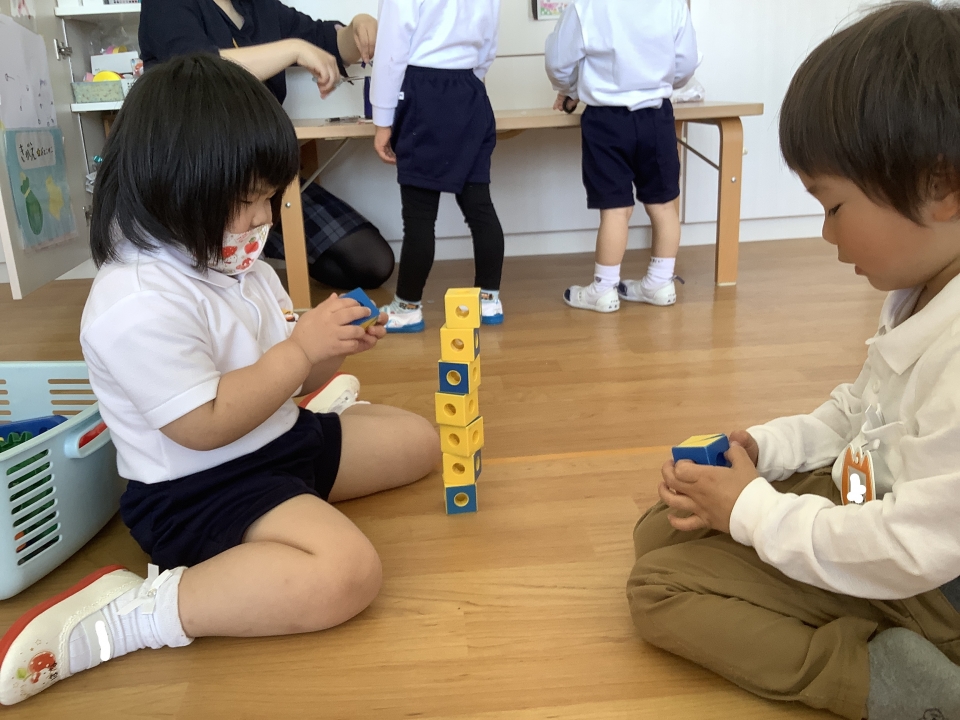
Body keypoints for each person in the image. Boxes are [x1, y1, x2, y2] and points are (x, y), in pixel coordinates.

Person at [0, 55, 440, 706]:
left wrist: (330, 349)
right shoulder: (135, 300)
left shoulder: (237, 261)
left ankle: (324, 426)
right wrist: (301, 350)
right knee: (348, 573)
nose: (263, 218)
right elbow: (202, 425)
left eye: (270, 197)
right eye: (247, 201)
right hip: (199, 489)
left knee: (421, 442)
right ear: (173, 187)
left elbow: (282, 371)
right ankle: (138, 613)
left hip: (276, 437)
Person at [627, 5, 960, 719]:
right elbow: (858, 411)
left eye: (833, 206)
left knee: (658, 589)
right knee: (664, 523)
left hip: (932, 584)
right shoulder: (920, 289)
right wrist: (764, 450)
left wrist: (752, 510)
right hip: (880, 504)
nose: (825, 232)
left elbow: (911, 546)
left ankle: (896, 682)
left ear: (942, 187)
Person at [139, 0, 396, 290]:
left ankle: (255, 257)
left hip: (261, 175)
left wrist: (358, 28)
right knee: (218, 279)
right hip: (196, 178)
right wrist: (293, 49)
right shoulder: (166, 5)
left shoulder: (260, 8)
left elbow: (331, 43)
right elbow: (197, 69)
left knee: (372, 262)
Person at [545, 0, 698, 313]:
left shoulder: (586, 5)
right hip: (656, 116)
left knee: (616, 210)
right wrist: (658, 82)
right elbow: (686, 63)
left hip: (606, 119)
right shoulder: (672, 5)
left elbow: (558, 62)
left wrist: (569, 89)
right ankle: (659, 283)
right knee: (664, 204)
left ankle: (603, 290)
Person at [370, 0, 506, 333]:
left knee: (419, 217)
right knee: (480, 207)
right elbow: (488, 45)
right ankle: (488, 300)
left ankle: (407, 307)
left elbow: (391, 50)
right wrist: (469, 82)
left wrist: (382, 119)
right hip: (470, 90)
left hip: (424, 93)